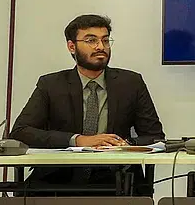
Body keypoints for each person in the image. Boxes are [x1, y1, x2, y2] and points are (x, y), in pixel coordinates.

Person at [10, 14, 165, 195]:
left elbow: (155, 136)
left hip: (117, 179)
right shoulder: (51, 84)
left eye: (105, 40)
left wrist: (124, 144)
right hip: (58, 179)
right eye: (91, 40)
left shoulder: (131, 83)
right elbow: (21, 131)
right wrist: (77, 140)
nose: (100, 47)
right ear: (71, 46)